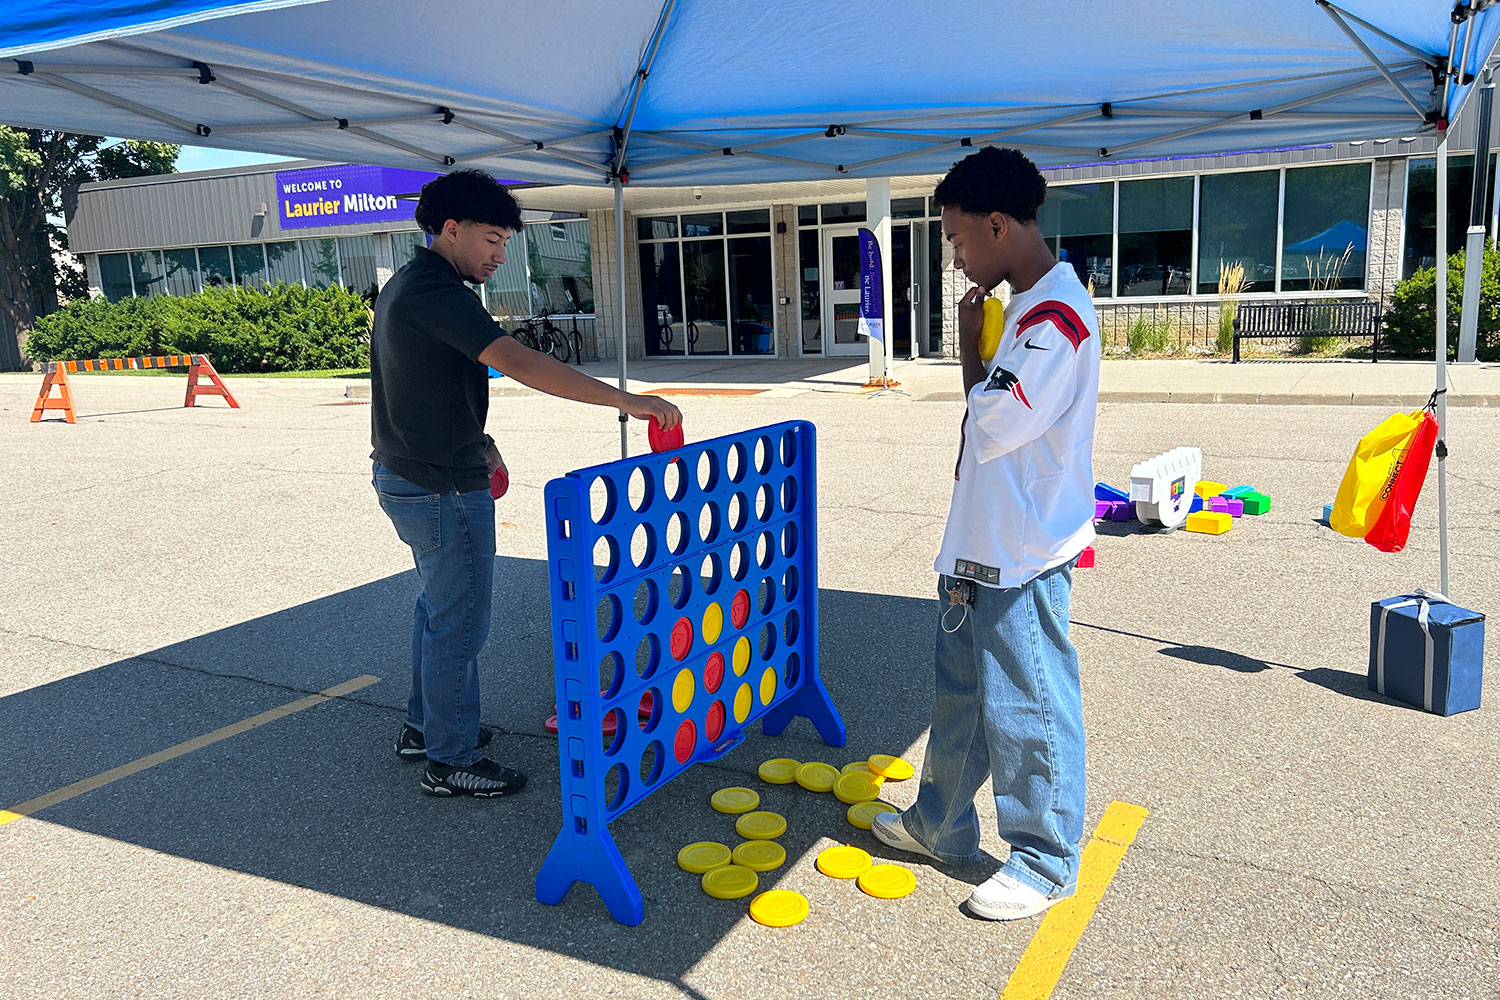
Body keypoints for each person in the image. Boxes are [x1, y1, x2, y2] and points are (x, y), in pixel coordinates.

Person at [371, 169, 681, 798]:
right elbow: (517, 360)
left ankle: (423, 728)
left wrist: (480, 443)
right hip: (439, 486)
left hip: (418, 469)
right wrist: (627, 401)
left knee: (438, 608)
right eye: (491, 239)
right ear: (450, 229)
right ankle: (449, 758)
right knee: (458, 621)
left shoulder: (417, 283)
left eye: (506, 243)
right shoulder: (437, 290)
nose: (499, 254)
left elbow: (420, 384)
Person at [871, 147, 1100, 920]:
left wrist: (970, 345)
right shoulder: (1028, 309)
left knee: (1028, 705)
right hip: (980, 545)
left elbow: (996, 417)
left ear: (999, 225)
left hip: (1022, 553)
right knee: (963, 700)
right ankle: (941, 825)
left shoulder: (1056, 319)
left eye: (960, 240)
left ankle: (1045, 858)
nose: (958, 257)